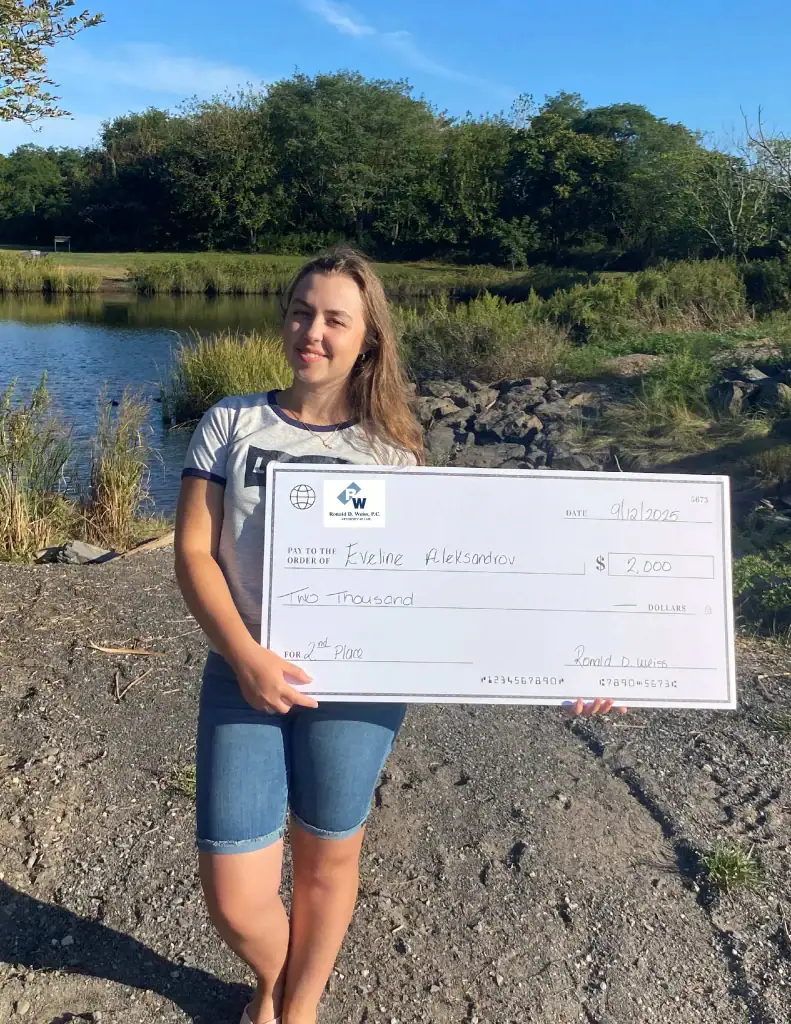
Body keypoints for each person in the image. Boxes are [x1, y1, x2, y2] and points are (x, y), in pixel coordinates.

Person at [173, 247, 624, 1024]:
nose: (311, 331)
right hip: (241, 671)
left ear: (367, 339)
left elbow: (453, 588)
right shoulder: (231, 421)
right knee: (234, 893)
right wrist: (243, 656)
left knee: (327, 853)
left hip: (358, 684)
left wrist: (571, 664)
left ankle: (298, 1005)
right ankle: (275, 976)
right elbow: (191, 551)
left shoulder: (392, 454)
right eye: (300, 311)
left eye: (334, 319)